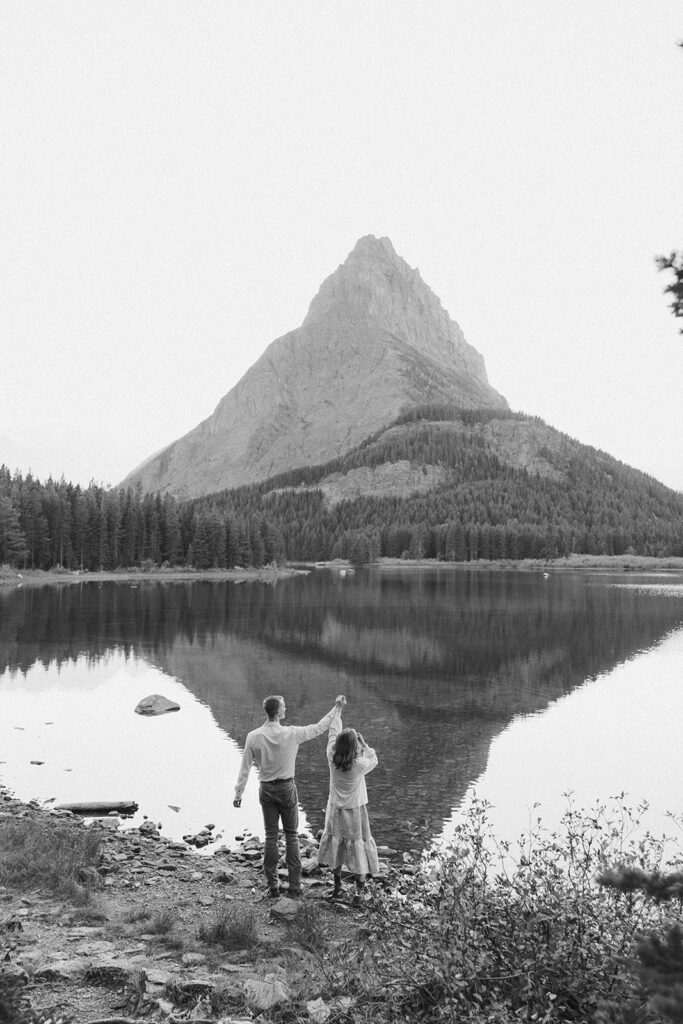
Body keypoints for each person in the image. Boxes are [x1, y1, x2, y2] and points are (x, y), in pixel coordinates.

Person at [233, 694, 344, 898]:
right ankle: (294, 886)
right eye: (283, 706)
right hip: (286, 788)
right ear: (277, 712)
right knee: (292, 836)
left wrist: (238, 793)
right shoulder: (292, 733)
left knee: (270, 836)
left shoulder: (253, 736)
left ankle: (273, 886)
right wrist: (336, 709)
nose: (286, 708)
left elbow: (245, 767)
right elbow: (319, 727)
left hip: (266, 789)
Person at [317, 698, 380, 903]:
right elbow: (374, 759)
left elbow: (333, 733)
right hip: (355, 811)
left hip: (335, 809)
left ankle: (337, 886)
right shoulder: (359, 765)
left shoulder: (331, 758)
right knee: (357, 844)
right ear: (354, 748)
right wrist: (364, 744)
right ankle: (360, 888)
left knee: (337, 843)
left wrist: (338, 709)